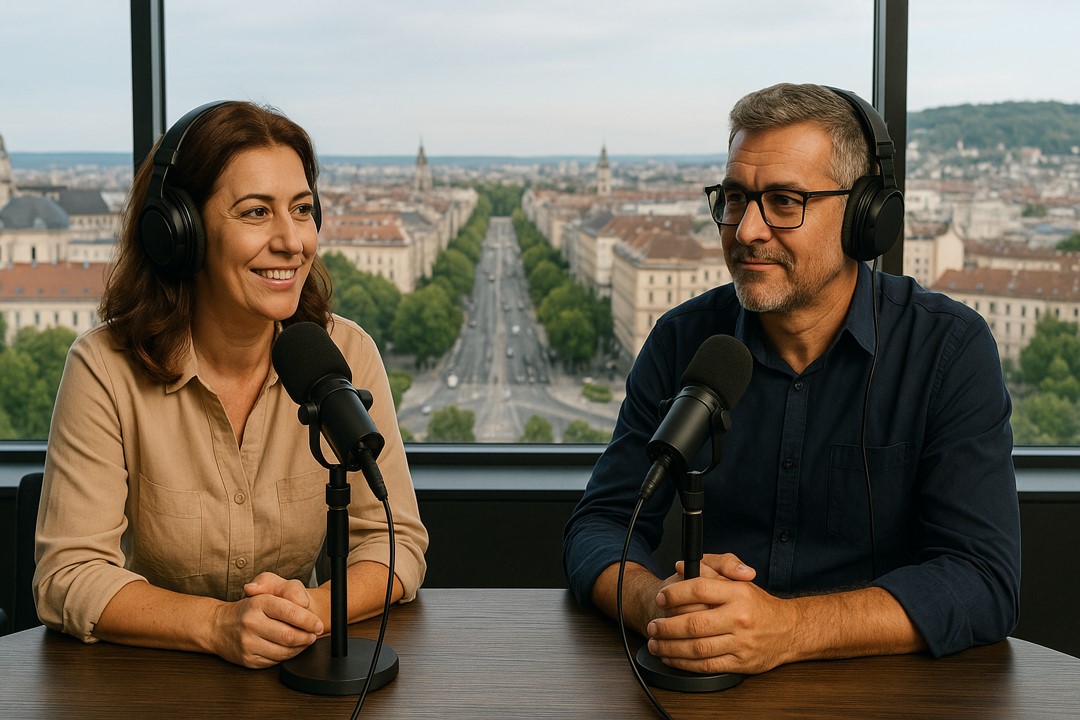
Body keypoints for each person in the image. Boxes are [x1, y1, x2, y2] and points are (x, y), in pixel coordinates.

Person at [563, 83, 1020, 675]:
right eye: (734, 197)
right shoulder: (682, 340)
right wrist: (661, 605)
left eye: (784, 201)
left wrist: (789, 629)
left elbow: (984, 581)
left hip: (888, 698)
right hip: (713, 688)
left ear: (865, 216)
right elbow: (600, 527)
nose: (747, 229)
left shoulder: (948, 351)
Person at [34, 101, 428, 669]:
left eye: (301, 209)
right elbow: (66, 576)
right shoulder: (104, 367)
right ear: (180, 233)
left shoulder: (346, 355)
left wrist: (308, 610)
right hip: (151, 686)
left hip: (296, 676)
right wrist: (216, 625)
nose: (292, 241)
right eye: (255, 213)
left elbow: (395, 544)